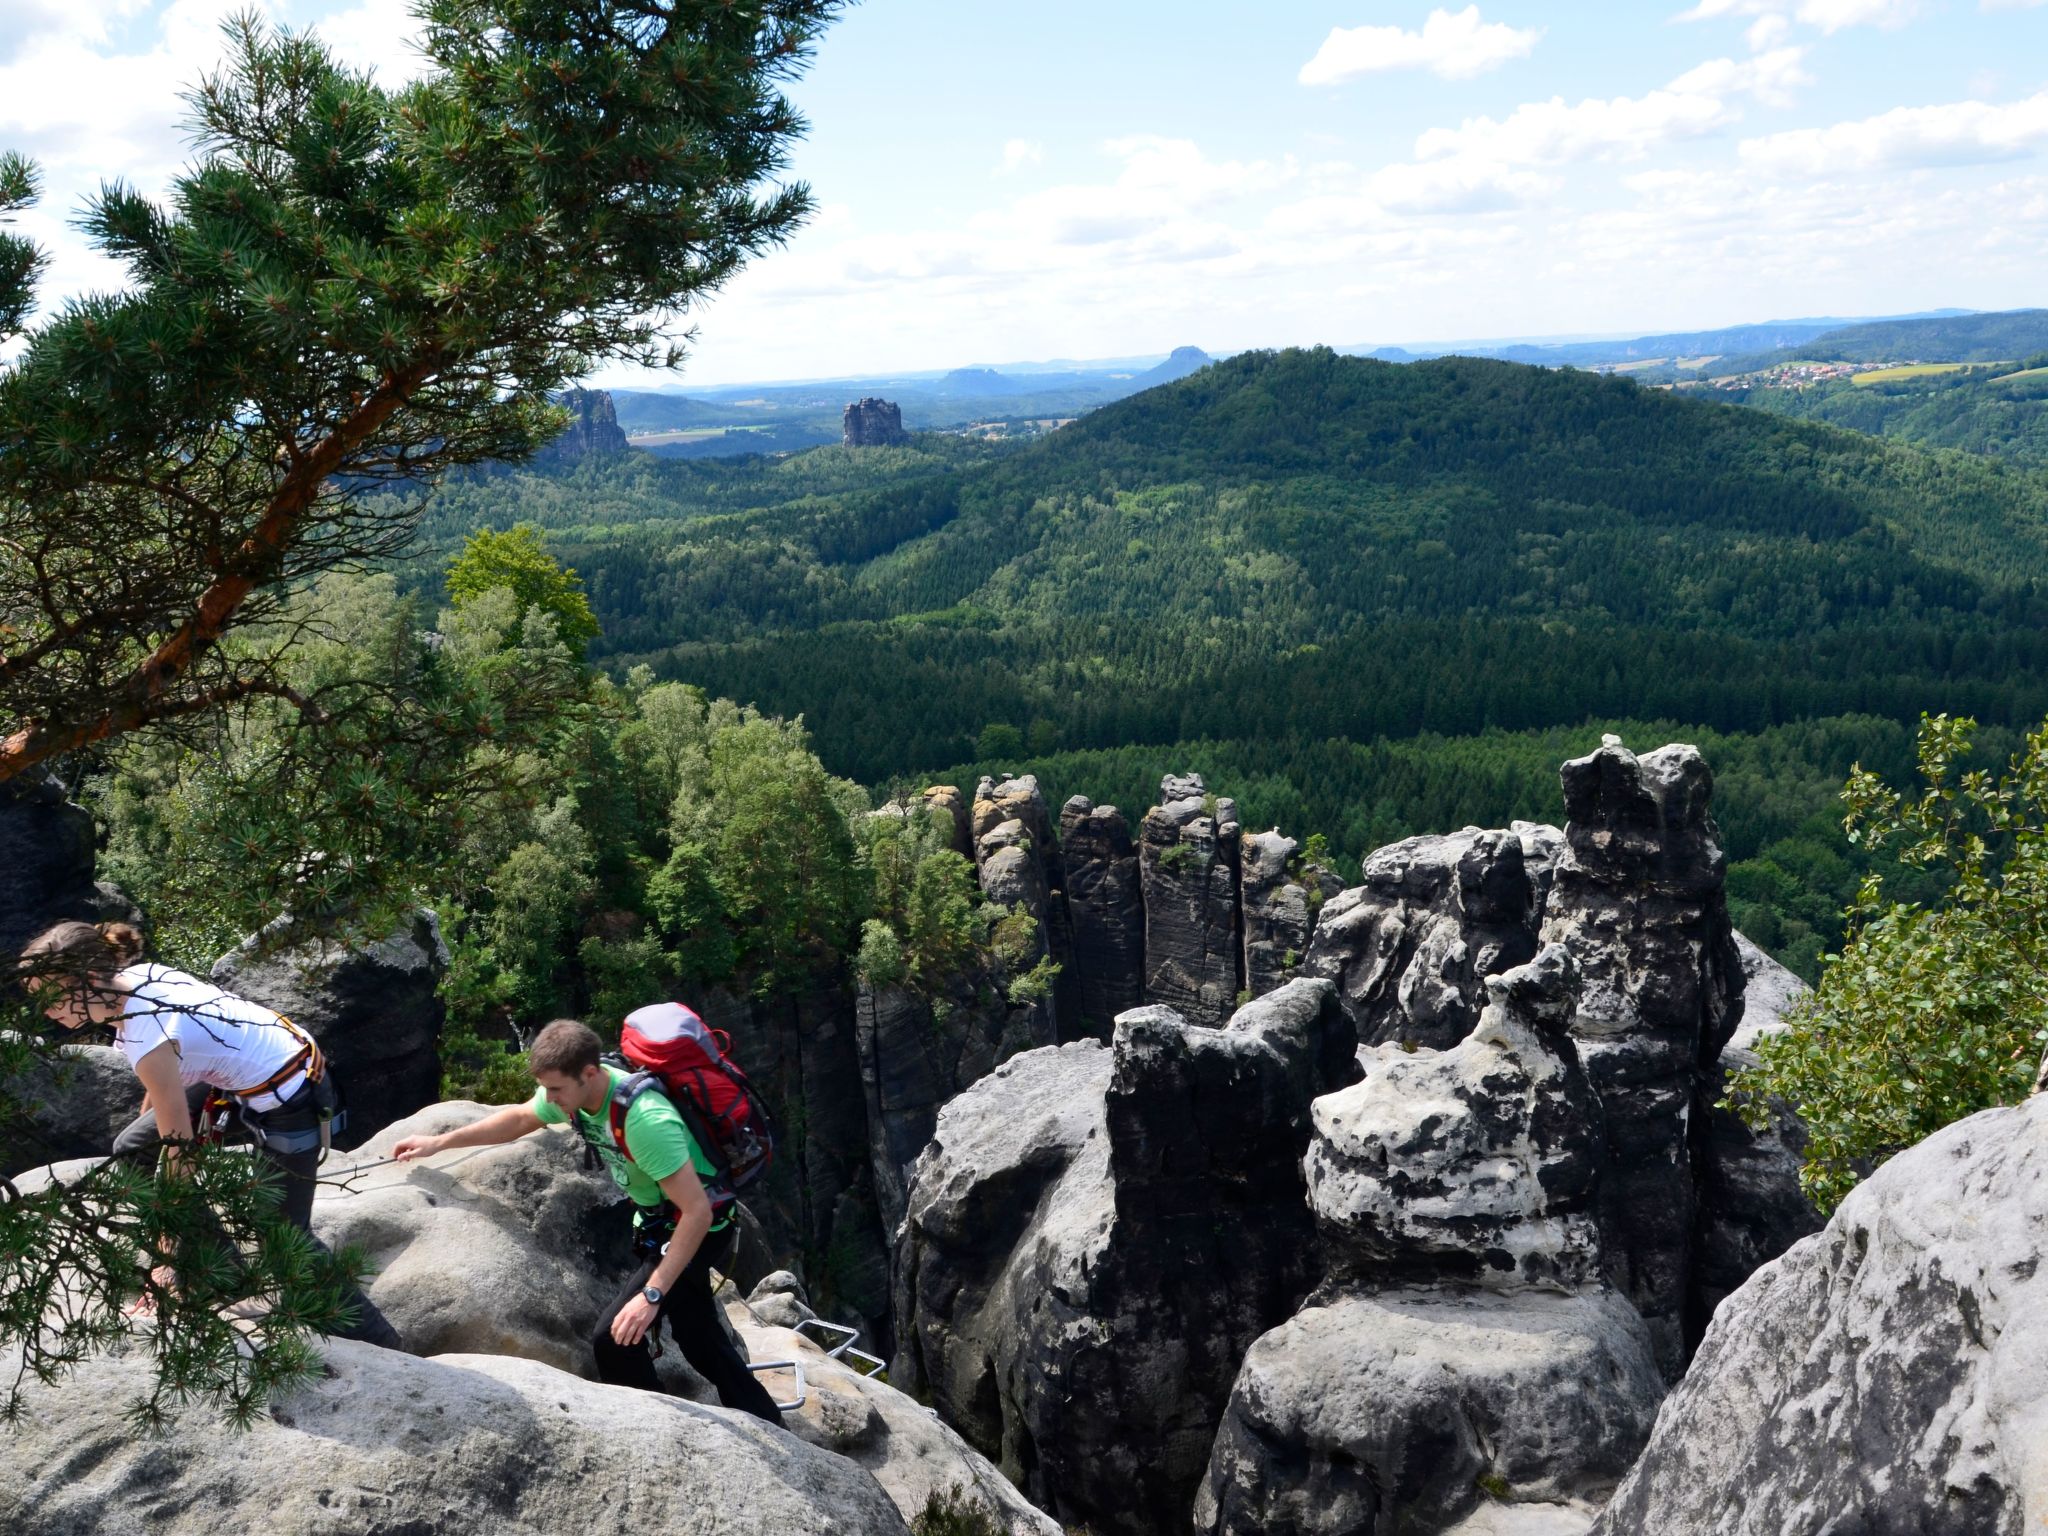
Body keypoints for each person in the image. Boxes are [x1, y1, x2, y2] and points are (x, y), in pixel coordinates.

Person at [19, 919, 401, 1348]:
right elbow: (165, 1087)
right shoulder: (142, 978)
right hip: (254, 1069)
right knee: (133, 1146)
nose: (46, 1011)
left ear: (90, 980)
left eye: (53, 997)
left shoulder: (148, 1032)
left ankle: (383, 1345)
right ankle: (221, 1273)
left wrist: (166, 1260)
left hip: (292, 1092)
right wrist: (156, 1128)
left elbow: (178, 1150)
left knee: (283, 1239)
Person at [391, 1016, 784, 1424]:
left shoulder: (645, 1122)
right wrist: (439, 1142)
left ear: (590, 1073)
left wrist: (651, 1295)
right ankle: (768, 1422)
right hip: (660, 1222)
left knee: (615, 1339)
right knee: (699, 1336)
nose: (549, 1098)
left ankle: (657, 1429)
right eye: (546, 1088)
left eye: (556, 1089)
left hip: (697, 1228)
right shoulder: (577, 1094)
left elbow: (697, 1212)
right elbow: (522, 1118)